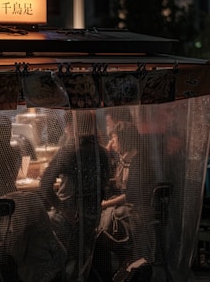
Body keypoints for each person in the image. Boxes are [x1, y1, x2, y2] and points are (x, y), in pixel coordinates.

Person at [40, 110, 110, 281]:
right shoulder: (102, 152)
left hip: (69, 219)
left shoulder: (69, 151)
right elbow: (104, 187)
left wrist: (64, 209)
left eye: (68, 126)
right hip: (93, 218)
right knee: (81, 258)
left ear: (72, 127)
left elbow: (44, 185)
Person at [93, 121, 154, 280]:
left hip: (136, 210)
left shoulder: (137, 160)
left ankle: (122, 265)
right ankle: (121, 265)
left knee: (99, 226)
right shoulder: (125, 158)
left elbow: (132, 194)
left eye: (114, 138)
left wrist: (106, 204)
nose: (112, 142)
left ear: (124, 139)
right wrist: (107, 153)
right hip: (127, 207)